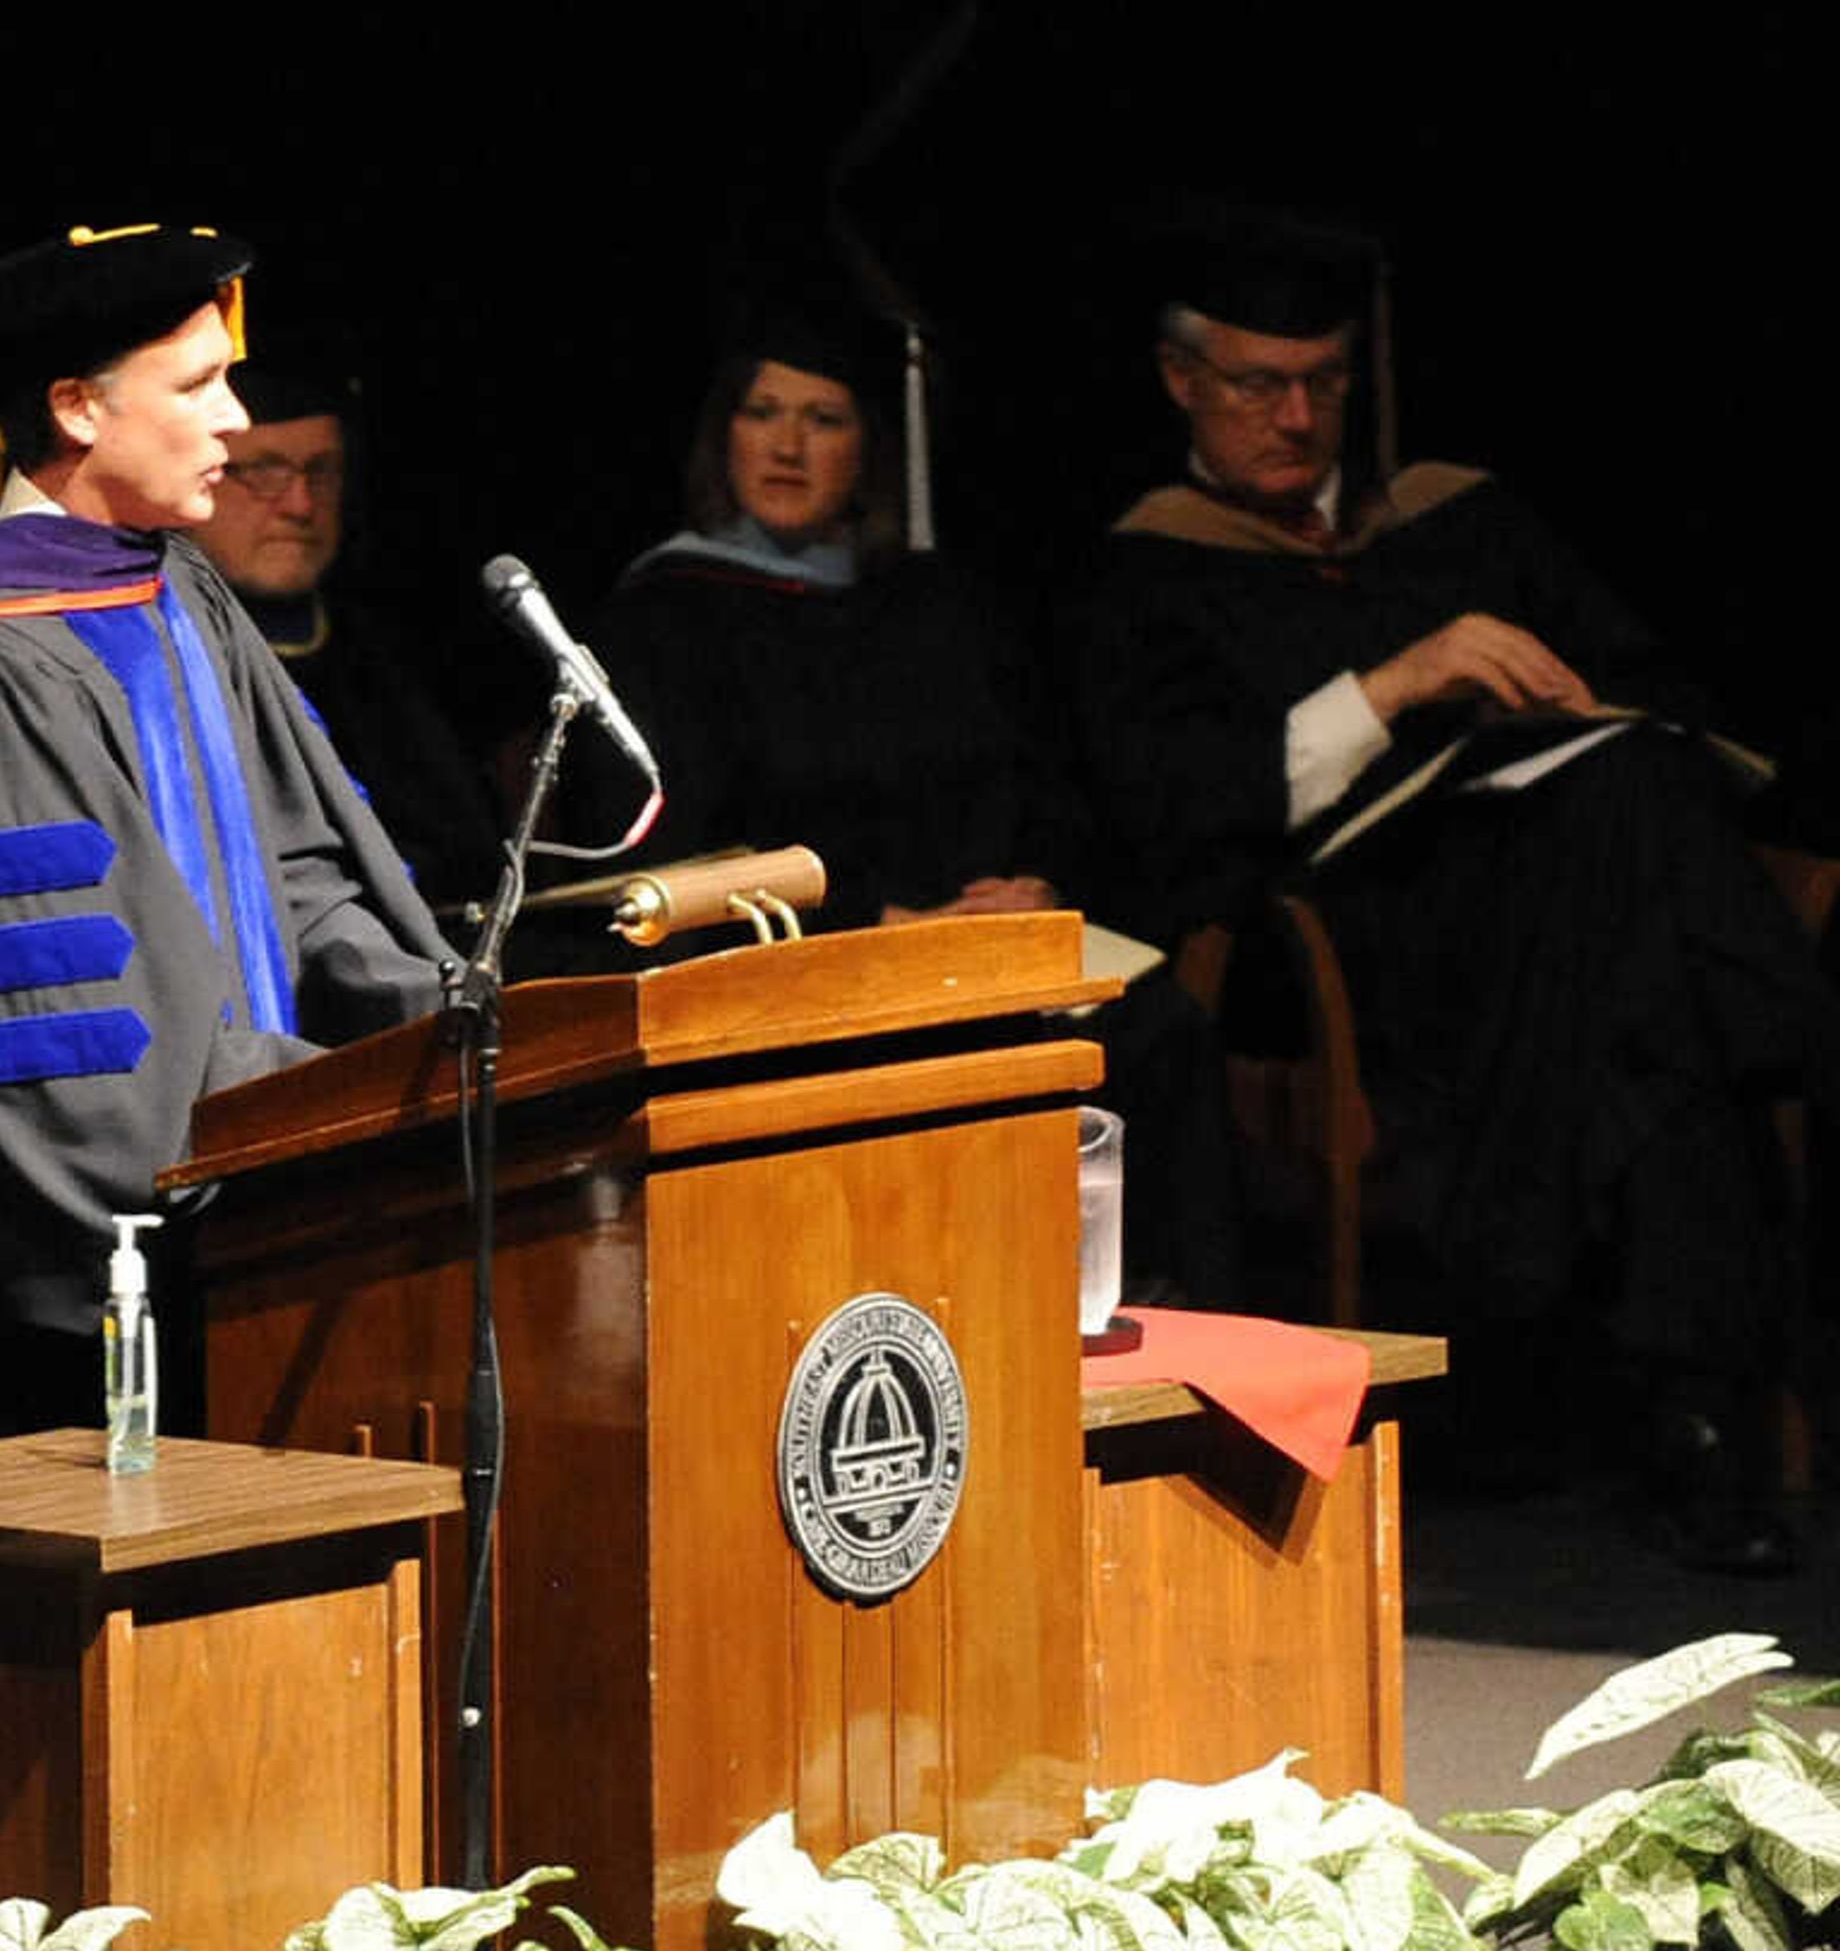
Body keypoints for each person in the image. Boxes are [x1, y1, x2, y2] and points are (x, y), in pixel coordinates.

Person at [1063, 225, 1835, 1569]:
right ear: (1181, 381)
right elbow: (1171, 815)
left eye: (1324, 381)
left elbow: (1668, 697)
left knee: (1628, 803)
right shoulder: (1144, 576)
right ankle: (1785, 1098)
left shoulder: (1457, 517)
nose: (1297, 417)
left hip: (1573, 950)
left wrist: (1587, 726)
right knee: (1644, 886)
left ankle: (1684, 1407)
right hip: (1367, 963)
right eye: (1257, 383)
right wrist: (1396, 686)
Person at [0, 225, 448, 1466]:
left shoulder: (174, 589)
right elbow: (61, 1047)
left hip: (257, 1190)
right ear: (74, 406)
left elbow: (300, 869)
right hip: (72, 1318)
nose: (233, 421)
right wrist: (311, 1111)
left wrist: (449, 1030)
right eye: (196, 385)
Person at [577, 300, 1232, 1300]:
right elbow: (679, 857)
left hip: (987, 951)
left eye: (825, 419)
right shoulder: (661, 619)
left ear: (869, 448)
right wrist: (878, 919)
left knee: (1163, 1033)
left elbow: (1051, 778)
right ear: (725, 433)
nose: (789, 446)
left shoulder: (941, 604)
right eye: (764, 413)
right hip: (809, 964)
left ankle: (1174, 1345)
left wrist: (1039, 881)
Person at [179, 340, 500, 914]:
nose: (300, 504)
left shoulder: (393, 654)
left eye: (321, 472)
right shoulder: (163, 657)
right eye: (263, 472)